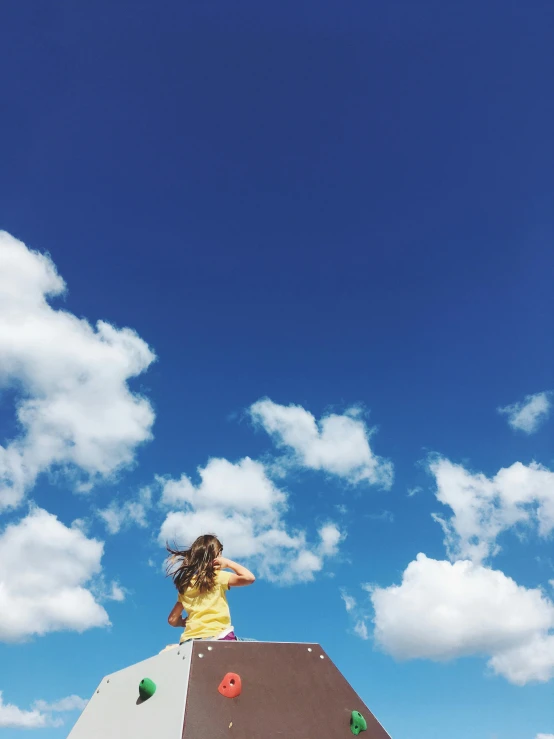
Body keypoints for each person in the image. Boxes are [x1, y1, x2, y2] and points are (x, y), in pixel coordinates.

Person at [165, 534, 255, 644]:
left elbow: (172, 620)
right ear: (217, 555)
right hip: (217, 636)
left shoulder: (186, 586)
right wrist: (228, 563)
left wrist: (182, 623)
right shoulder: (217, 577)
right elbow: (249, 578)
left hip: (188, 641)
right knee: (256, 646)